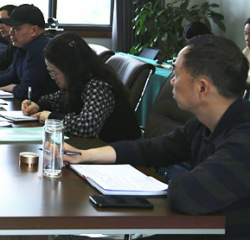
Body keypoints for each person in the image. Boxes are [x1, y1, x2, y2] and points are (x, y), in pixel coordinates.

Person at [64, 35, 250, 239]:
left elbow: (187, 195)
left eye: (176, 74)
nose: (172, 81)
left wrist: (172, 179)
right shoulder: (203, 124)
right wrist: (84, 155)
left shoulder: (244, 139)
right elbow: (151, 149)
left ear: (202, 88)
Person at [21, 33, 140, 143]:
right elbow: (59, 98)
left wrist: (51, 117)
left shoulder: (98, 85)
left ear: (70, 69)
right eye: (50, 72)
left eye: (55, 73)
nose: (53, 77)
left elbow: (87, 127)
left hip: (119, 150)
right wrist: (39, 106)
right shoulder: (80, 79)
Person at [0, 4, 58, 101]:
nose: (11, 33)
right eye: (11, 28)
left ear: (33, 30)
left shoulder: (41, 49)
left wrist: (14, 88)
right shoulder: (22, 46)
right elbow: (11, 76)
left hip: (43, 107)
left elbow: (28, 90)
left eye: (16, 29)